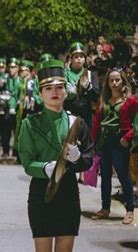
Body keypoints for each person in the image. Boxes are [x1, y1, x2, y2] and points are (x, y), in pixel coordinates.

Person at [18, 59, 94, 251]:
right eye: (49, 88)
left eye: (60, 87)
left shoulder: (76, 123)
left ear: (66, 92)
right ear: (40, 93)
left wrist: (78, 159)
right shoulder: (29, 124)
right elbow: (27, 163)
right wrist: (44, 168)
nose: (55, 92)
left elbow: (88, 159)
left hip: (68, 192)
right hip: (41, 193)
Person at [91, 67, 136, 224]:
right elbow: (96, 122)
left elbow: (137, 122)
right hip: (104, 141)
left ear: (123, 81)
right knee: (105, 177)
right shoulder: (104, 100)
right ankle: (105, 208)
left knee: (124, 175)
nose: (114, 83)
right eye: (111, 80)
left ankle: (130, 209)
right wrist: (93, 141)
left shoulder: (130, 100)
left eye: (117, 79)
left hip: (120, 141)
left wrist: (128, 136)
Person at [64, 42, 100, 127]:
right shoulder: (64, 74)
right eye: (76, 57)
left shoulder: (91, 74)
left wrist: (88, 87)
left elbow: (96, 97)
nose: (79, 59)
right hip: (69, 114)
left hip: (86, 116)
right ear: (71, 59)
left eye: (81, 56)